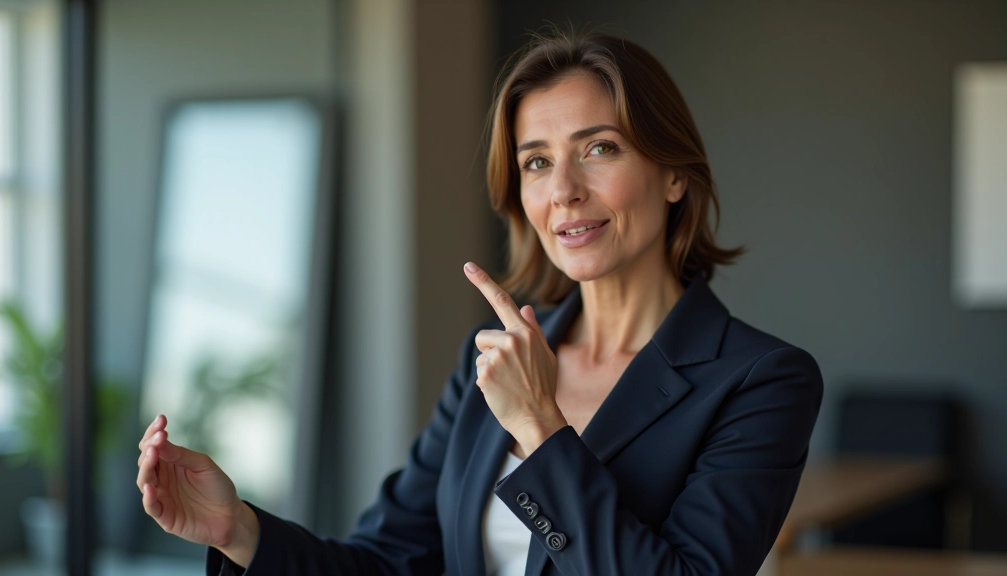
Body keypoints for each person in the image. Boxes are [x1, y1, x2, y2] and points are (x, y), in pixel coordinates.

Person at [136, 28, 823, 576]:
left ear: (673, 174)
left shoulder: (761, 380)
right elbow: (387, 562)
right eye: (536, 162)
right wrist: (239, 531)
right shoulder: (490, 361)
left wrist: (544, 433)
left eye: (600, 149)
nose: (564, 190)